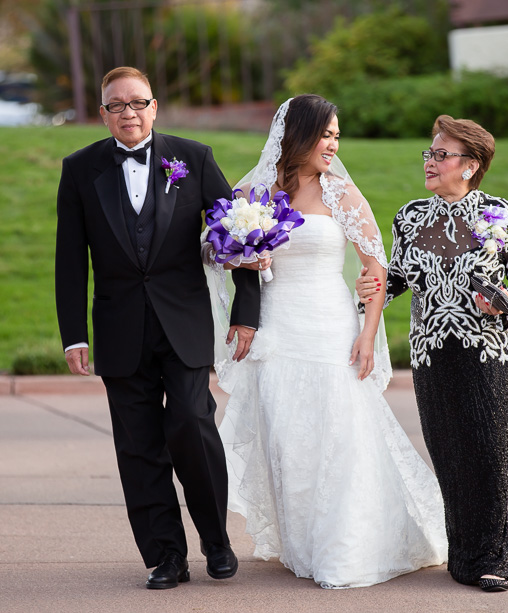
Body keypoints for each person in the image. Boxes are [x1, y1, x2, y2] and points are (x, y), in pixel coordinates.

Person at [204, 94, 448, 589]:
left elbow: (375, 269)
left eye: (338, 135)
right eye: (326, 134)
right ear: (298, 135)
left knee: (341, 431)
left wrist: (367, 332)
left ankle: (346, 549)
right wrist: (240, 259)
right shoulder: (253, 191)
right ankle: (304, 544)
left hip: (330, 326)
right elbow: (214, 249)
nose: (334, 144)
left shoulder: (341, 194)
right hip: (276, 328)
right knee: (288, 435)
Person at [54, 66, 261, 590]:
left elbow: (238, 234)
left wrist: (247, 309)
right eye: (116, 105)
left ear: (154, 106)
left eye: (137, 103)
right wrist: (73, 333)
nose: (129, 113)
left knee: (192, 422)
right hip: (120, 327)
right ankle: (165, 555)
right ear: (102, 114)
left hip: (183, 322)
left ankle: (216, 541)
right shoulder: (79, 169)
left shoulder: (193, 158)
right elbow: (69, 259)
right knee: (139, 445)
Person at [356, 115, 508, 592]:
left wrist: (502, 300)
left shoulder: (500, 213)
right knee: (450, 454)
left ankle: (493, 559)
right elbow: (398, 277)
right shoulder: (410, 217)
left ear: (471, 166)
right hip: (432, 353)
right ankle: (465, 557)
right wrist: (370, 289)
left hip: (488, 352)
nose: (431, 162)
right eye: (429, 153)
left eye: (442, 155)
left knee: (487, 452)